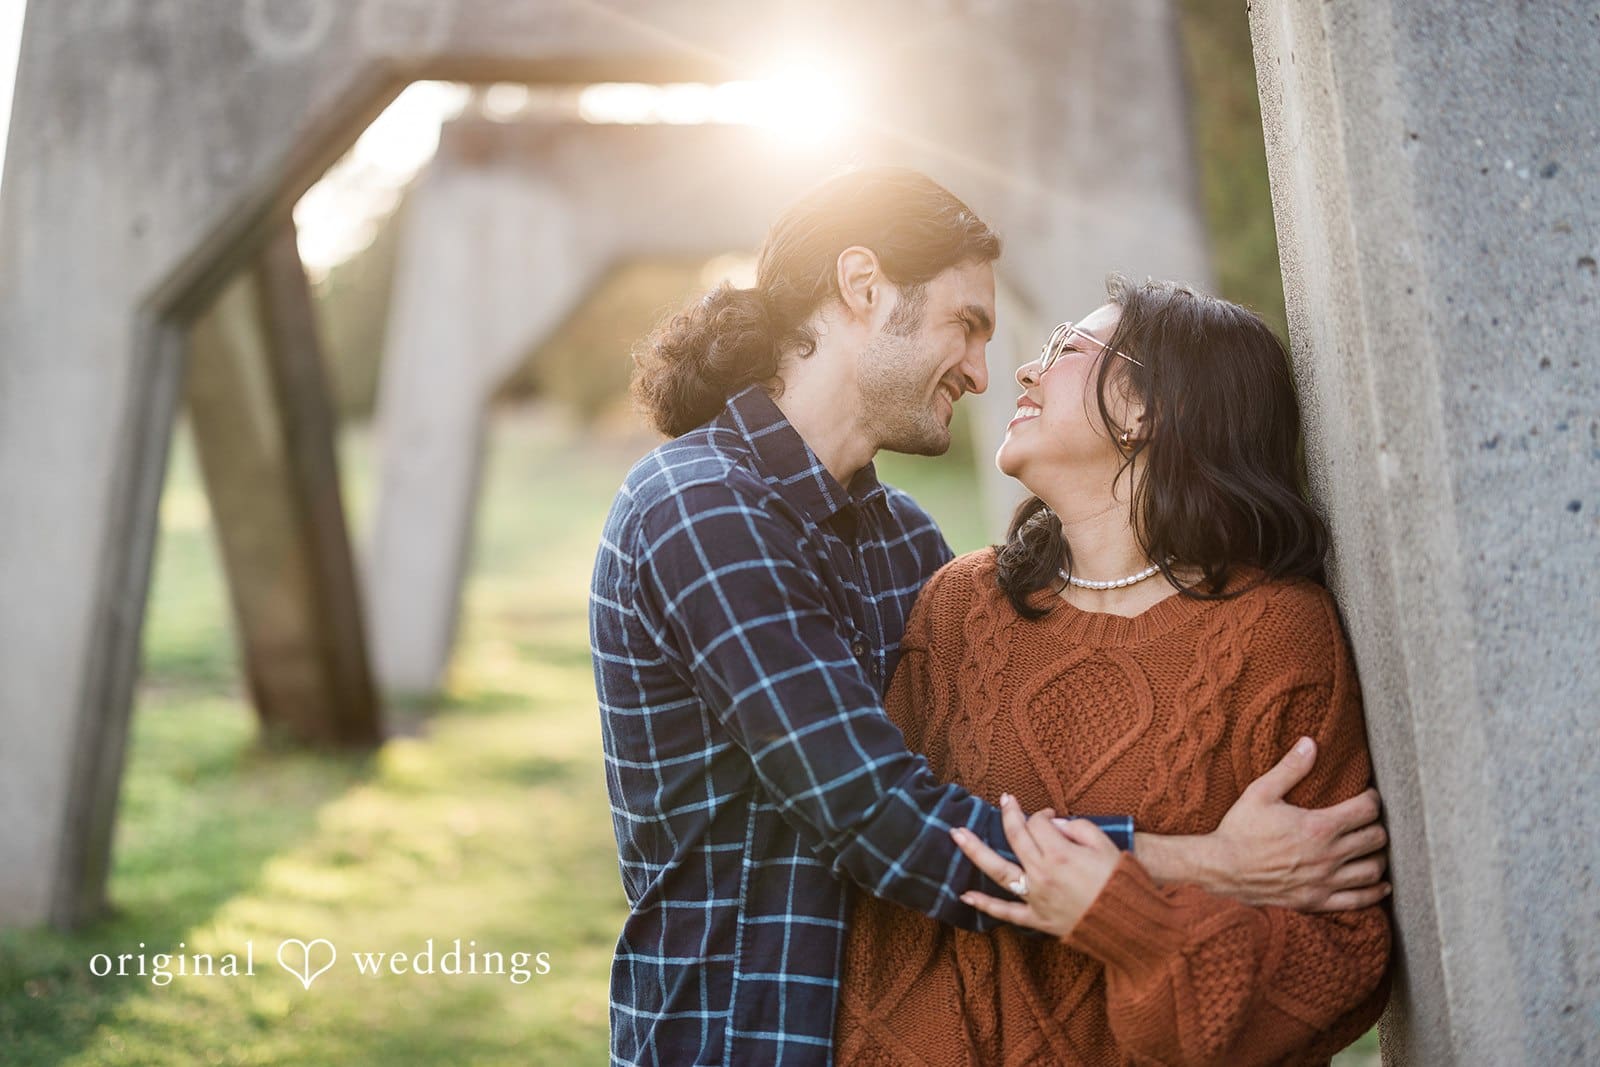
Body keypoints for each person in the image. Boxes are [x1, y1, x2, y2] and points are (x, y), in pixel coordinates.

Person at [589, 168, 1390, 1067]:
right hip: (740, 1033)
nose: (983, 369)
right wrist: (1208, 861)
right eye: (965, 324)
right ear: (863, 288)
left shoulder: (910, 549)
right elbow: (879, 813)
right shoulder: (701, 508)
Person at [835, 278, 1391, 1065]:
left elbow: (1340, 961)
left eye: (1066, 348)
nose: (1024, 370)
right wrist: (1201, 866)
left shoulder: (1277, 638)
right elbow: (887, 863)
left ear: (1146, 408)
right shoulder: (961, 606)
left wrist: (1127, 916)